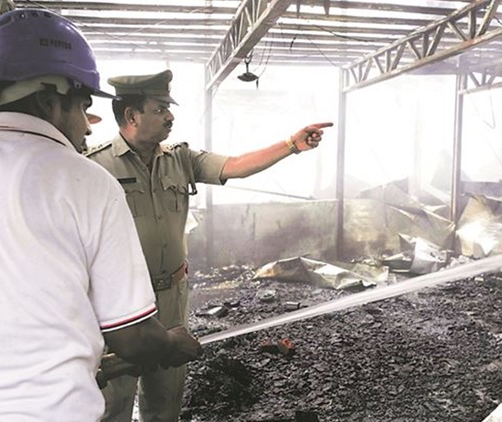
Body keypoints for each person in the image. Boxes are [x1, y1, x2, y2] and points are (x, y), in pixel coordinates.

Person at [0, 9, 202, 422]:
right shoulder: (87, 181)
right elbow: (132, 338)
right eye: (83, 107)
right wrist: (170, 343)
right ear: (50, 100)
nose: (88, 128)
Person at [86, 69, 332, 422]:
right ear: (131, 115)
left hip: (171, 295)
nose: (170, 116)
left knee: (166, 398)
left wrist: (291, 144)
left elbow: (236, 166)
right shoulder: (94, 165)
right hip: (119, 302)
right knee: (114, 401)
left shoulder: (180, 158)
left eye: (168, 109)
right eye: (160, 109)